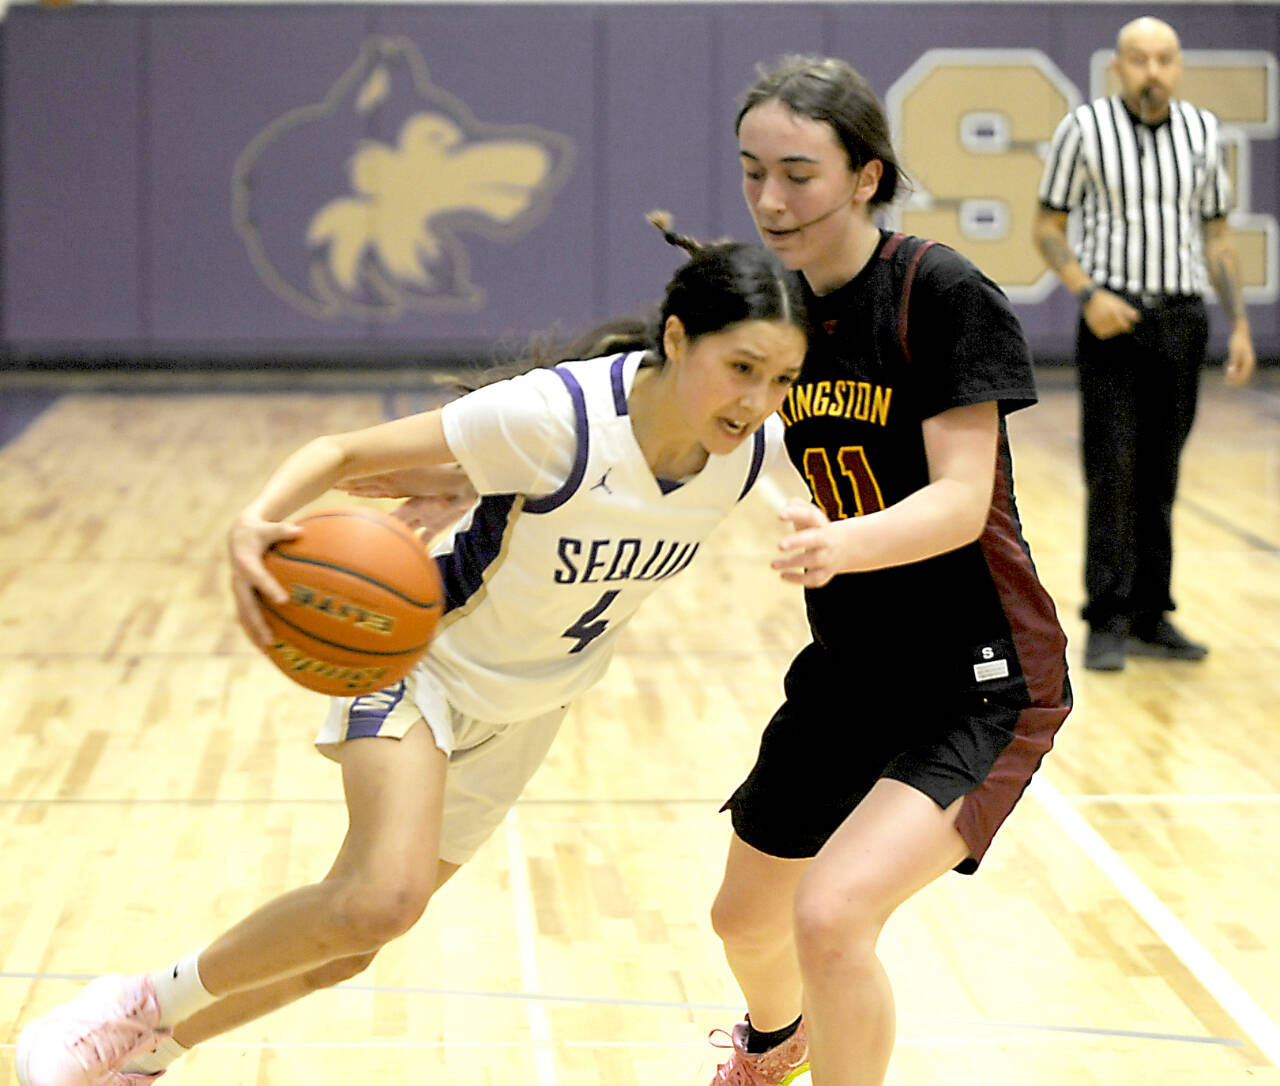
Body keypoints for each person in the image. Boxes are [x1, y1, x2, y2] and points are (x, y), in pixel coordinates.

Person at [14, 221, 810, 1086]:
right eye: (742, 368)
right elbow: (340, 452)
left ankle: (146, 1055)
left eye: (782, 380)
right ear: (677, 338)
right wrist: (257, 519)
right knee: (379, 900)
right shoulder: (553, 417)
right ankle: (131, 1004)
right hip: (421, 666)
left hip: (529, 708)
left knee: (348, 944)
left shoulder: (747, 454)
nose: (758, 400)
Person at [702, 55, 1072, 1086]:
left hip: (978, 679)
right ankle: (775, 1047)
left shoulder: (937, 293)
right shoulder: (772, 308)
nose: (770, 200)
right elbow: (665, 407)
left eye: (798, 175)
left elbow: (959, 501)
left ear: (865, 176)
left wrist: (840, 544)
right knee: (744, 921)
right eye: (752, 173)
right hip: (853, 667)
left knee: (830, 916)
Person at [1032, 15, 1256, 672]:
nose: (1152, 71)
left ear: (1178, 66)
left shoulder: (1204, 132)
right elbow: (1046, 226)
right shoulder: (1084, 129)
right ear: (1117, 67)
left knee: (1163, 471)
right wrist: (1087, 294)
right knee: (1112, 469)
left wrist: (1240, 323)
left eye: (1163, 59)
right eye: (1139, 59)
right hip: (1113, 318)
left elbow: (1218, 236)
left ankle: (1152, 613)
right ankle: (1106, 616)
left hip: (1182, 318)